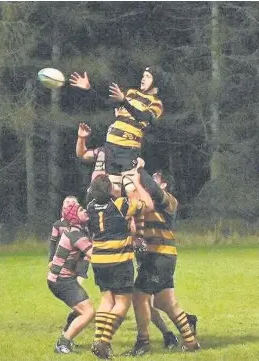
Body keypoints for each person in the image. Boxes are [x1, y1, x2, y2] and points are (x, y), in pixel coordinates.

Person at [125, 168, 200, 356]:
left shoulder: (168, 200)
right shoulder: (147, 202)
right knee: (165, 302)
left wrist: (137, 170)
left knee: (139, 296)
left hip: (160, 256)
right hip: (158, 256)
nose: (149, 184)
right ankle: (190, 342)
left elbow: (150, 187)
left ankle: (143, 342)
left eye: (155, 179)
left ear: (164, 184)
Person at [86, 165, 154, 359]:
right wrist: (134, 183)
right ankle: (103, 341)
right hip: (118, 259)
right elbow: (147, 205)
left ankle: (100, 343)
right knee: (123, 302)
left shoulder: (89, 207)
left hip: (98, 260)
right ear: (109, 190)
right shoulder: (120, 204)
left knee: (106, 300)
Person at [70, 66, 165, 195]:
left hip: (128, 150)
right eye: (143, 76)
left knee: (134, 194)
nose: (143, 79)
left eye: (148, 76)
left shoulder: (156, 103)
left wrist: (124, 102)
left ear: (156, 82)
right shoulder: (131, 93)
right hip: (111, 147)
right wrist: (89, 89)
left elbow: (143, 117)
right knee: (112, 193)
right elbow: (105, 104)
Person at [47, 200, 95, 354]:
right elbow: (93, 254)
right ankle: (62, 343)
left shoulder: (79, 230)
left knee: (82, 308)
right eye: (81, 209)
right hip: (61, 280)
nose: (85, 211)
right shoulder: (75, 233)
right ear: (74, 215)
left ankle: (67, 335)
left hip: (62, 279)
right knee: (88, 312)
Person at [48, 195, 89, 285]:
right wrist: (51, 259)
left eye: (73, 202)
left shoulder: (83, 225)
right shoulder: (58, 224)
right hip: (65, 256)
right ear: (63, 206)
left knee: (80, 275)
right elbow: (53, 242)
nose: (71, 204)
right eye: (68, 202)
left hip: (80, 256)